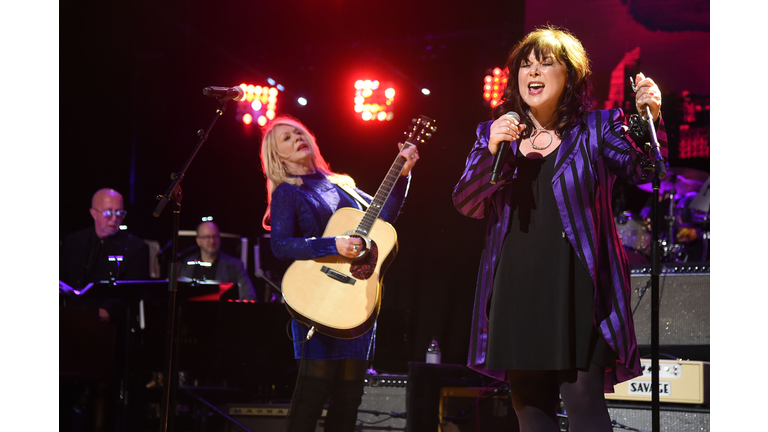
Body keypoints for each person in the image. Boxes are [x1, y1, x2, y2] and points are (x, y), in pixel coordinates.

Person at [452, 26, 667, 432]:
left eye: (546, 63)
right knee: (530, 411)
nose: (532, 71)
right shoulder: (494, 133)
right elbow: (466, 202)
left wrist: (649, 119)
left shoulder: (598, 128)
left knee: (585, 405)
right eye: (525, 65)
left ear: (569, 75)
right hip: (515, 286)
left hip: (580, 286)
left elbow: (647, 169)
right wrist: (492, 151)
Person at [259, 115, 419, 432]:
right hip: (316, 301)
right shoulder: (287, 193)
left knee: (349, 401)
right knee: (311, 398)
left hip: (354, 306)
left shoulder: (343, 184)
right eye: (287, 139)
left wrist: (402, 175)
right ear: (277, 157)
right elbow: (280, 246)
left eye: (298, 133)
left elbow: (384, 218)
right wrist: (333, 244)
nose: (297, 138)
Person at [60, 188, 150, 291]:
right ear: (94, 213)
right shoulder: (74, 242)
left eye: (119, 213)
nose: (114, 219)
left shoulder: (135, 247)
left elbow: (134, 292)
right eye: (108, 213)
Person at [178, 220, 258, 300]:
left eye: (215, 236)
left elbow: (249, 297)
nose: (212, 241)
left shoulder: (235, 265)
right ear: (198, 241)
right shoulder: (185, 264)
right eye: (207, 237)